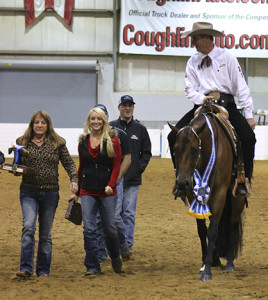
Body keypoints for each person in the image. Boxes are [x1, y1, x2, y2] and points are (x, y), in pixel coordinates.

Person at [168, 22, 256, 196]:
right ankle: (181, 178)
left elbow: (241, 86)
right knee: (173, 137)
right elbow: (189, 89)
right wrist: (202, 98)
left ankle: (243, 178)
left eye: (195, 39)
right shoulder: (193, 61)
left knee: (248, 138)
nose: (193, 42)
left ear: (207, 38)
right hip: (201, 105)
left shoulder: (227, 57)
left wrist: (248, 114)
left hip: (226, 104)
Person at [15, 110, 78, 278]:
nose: (40, 125)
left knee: (45, 234)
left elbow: (69, 163)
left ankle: (43, 270)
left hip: (50, 193)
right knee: (28, 227)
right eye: (36, 122)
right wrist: (16, 169)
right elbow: (18, 167)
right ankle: (26, 269)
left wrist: (74, 179)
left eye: (43, 122)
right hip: (28, 192)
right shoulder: (22, 143)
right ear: (32, 125)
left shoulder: (57, 143)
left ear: (48, 125)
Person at [75, 107, 123, 276]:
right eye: (93, 119)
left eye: (99, 119)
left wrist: (111, 184)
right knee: (89, 228)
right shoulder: (83, 141)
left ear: (104, 121)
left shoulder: (113, 141)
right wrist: (77, 190)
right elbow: (81, 167)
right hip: (87, 190)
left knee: (110, 228)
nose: (96, 122)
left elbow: (116, 166)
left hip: (107, 191)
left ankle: (115, 256)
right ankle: (92, 265)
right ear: (89, 121)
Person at [109, 95, 152, 255]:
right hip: (115, 179)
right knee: (115, 213)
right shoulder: (111, 128)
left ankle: (128, 244)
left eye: (130, 105)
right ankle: (119, 244)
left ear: (133, 108)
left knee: (128, 213)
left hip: (133, 180)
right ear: (119, 108)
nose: (127, 108)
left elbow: (146, 152)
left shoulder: (140, 129)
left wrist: (139, 168)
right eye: (124, 105)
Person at [94, 104, 132, 262]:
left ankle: (122, 244)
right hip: (97, 182)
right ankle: (101, 252)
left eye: (101, 116)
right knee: (98, 219)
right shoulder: (90, 136)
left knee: (115, 217)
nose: (98, 120)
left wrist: (117, 177)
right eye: (95, 116)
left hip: (115, 181)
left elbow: (127, 158)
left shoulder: (119, 135)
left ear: (107, 117)